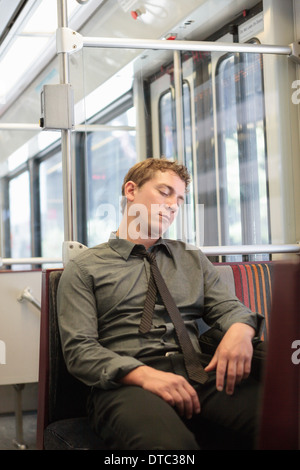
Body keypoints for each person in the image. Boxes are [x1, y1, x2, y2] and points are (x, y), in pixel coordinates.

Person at [57, 158, 263, 450]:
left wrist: (241, 331)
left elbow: (230, 309)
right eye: (165, 192)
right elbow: (79, 351)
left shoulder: (191, 258)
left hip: (198, 371)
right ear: (131, 191)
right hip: (125, 382)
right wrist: (143, 375)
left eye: (179, 199)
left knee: (285, 420)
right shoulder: (85, 268)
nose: (173, 205)